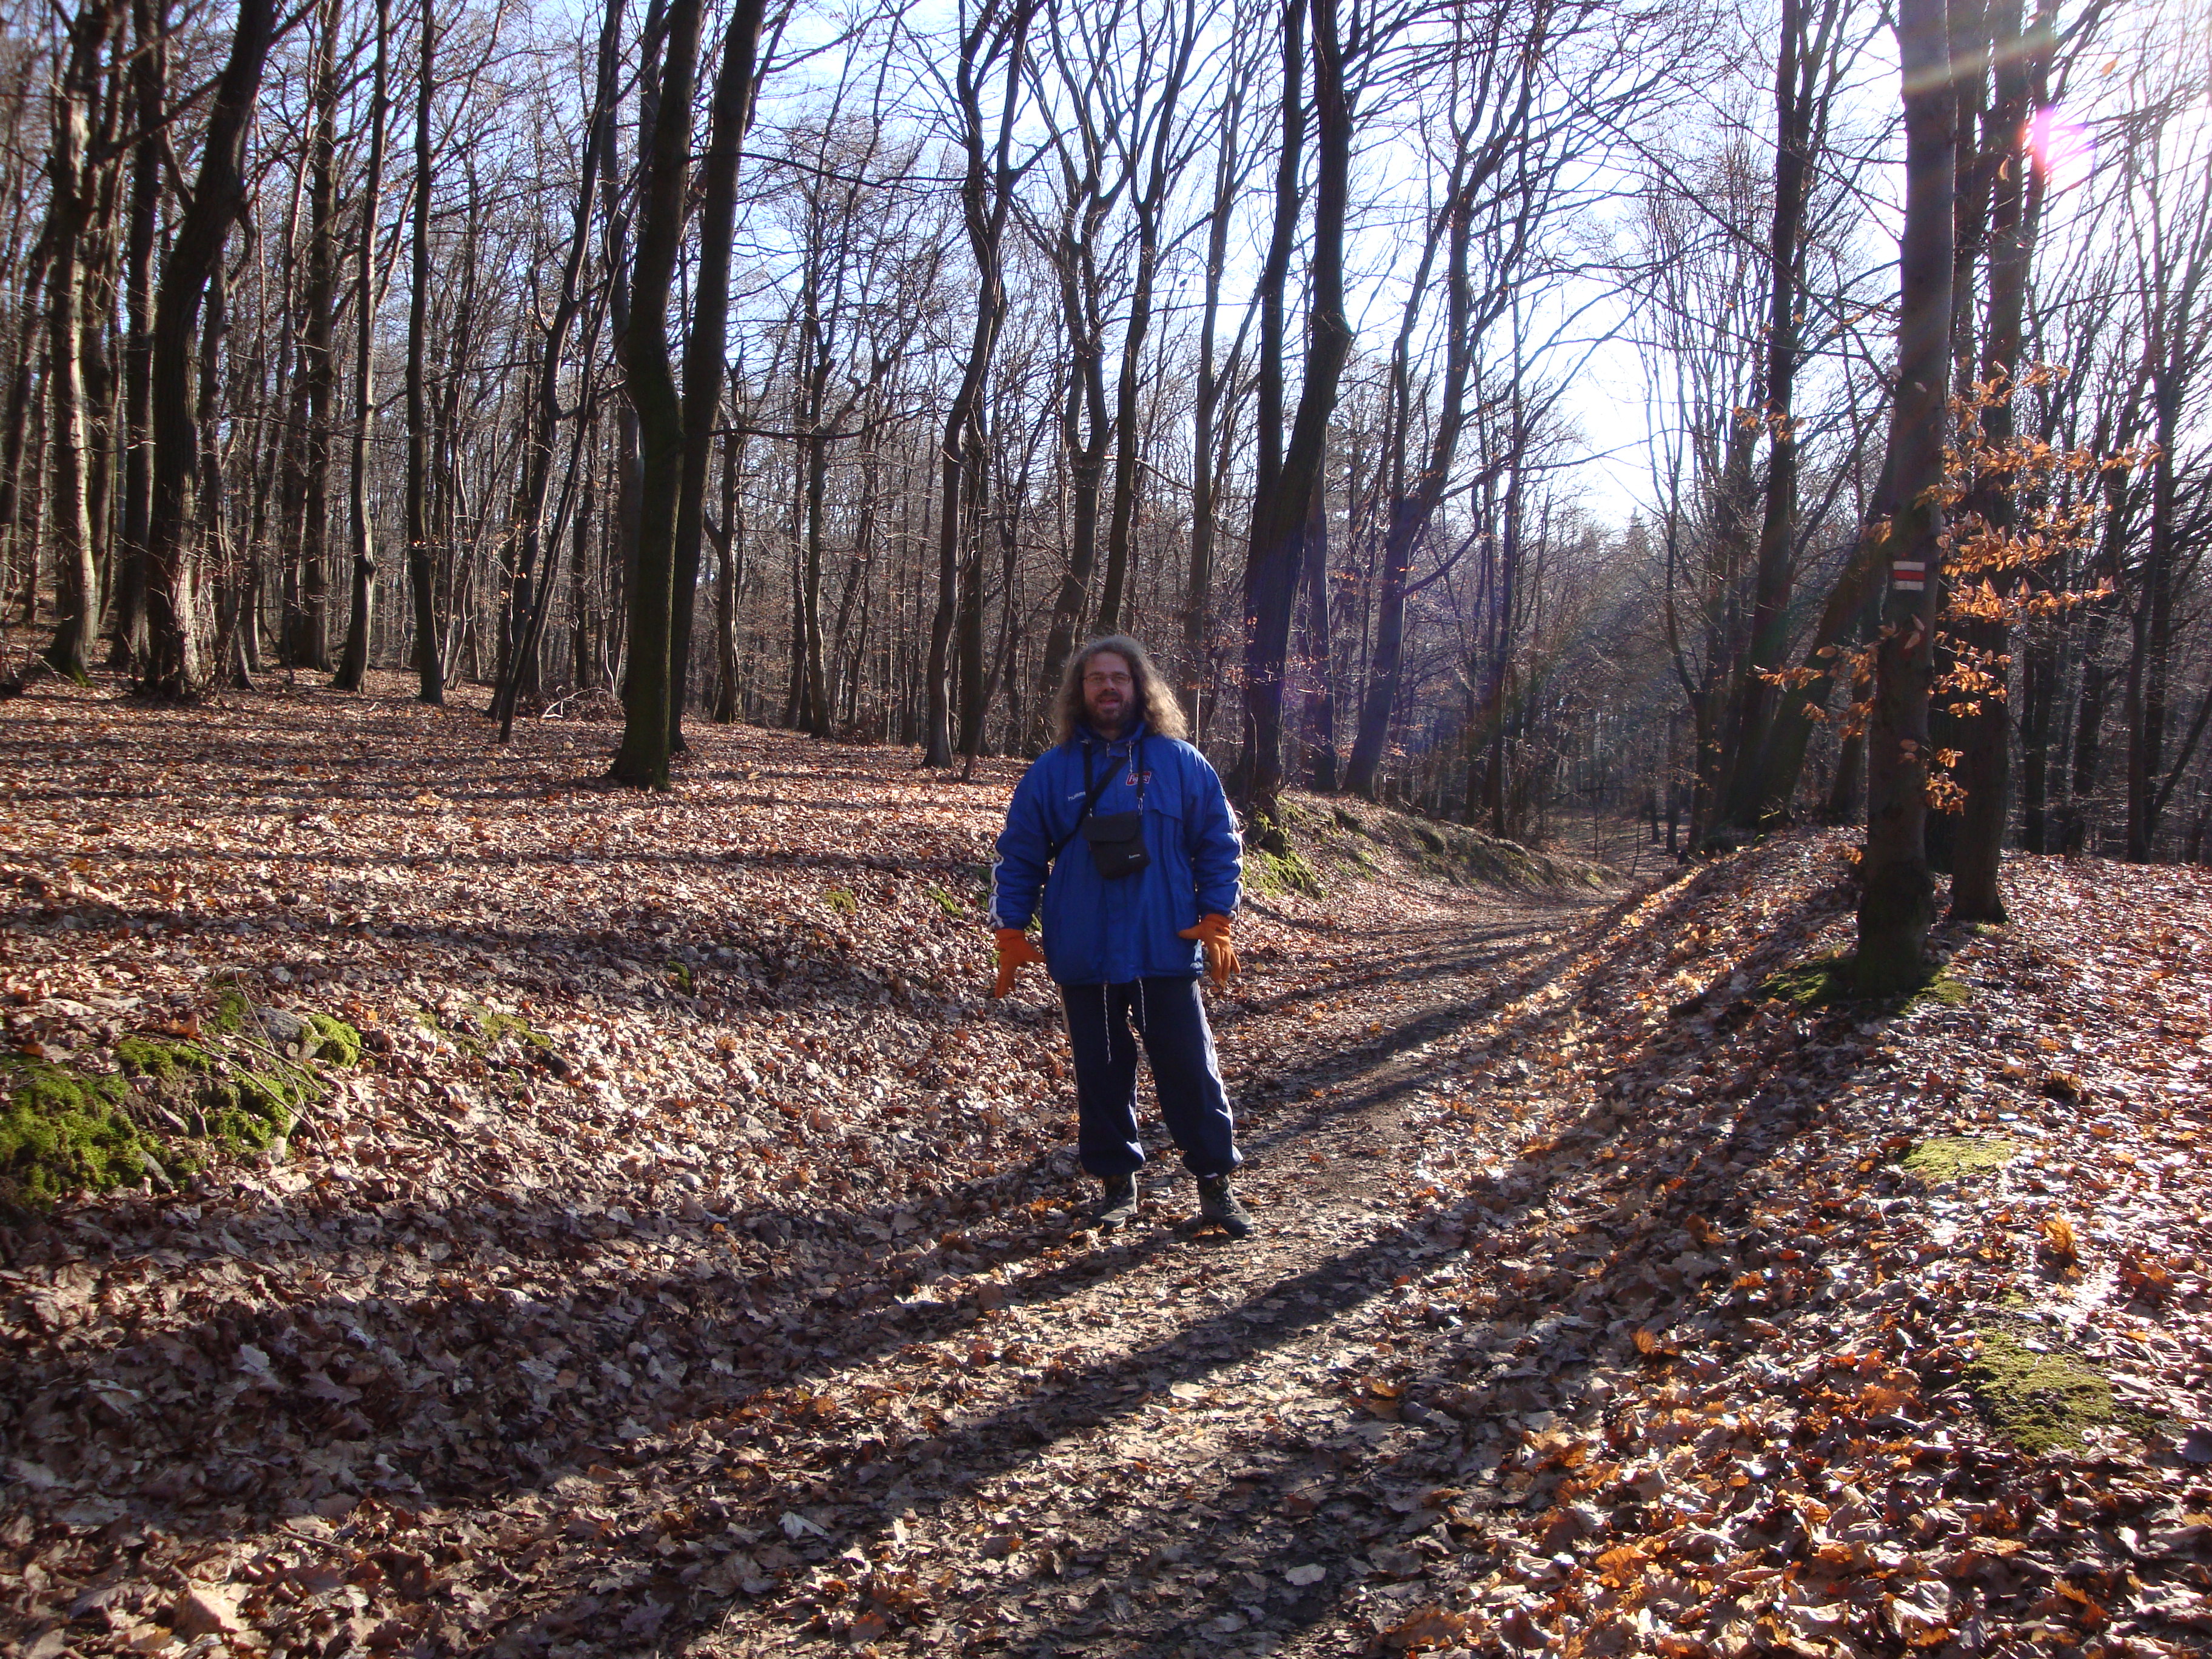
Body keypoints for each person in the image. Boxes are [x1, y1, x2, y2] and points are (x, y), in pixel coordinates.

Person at [988, 635, 1255, 1238]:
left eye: (1119, 678)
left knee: (1190, 1070)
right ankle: (1116, 1184)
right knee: (1102, 1074)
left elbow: (1219, 843)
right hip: (1085, 950)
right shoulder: (1051, 772)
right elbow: (1020, 854)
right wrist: (1010, 929)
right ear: (1079, 691)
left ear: (1139, 687)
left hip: (1165, 945)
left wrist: (1217, 917)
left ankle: (1215, 1183)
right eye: (1095, 679)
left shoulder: (1182, 763)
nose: (1107, 688)